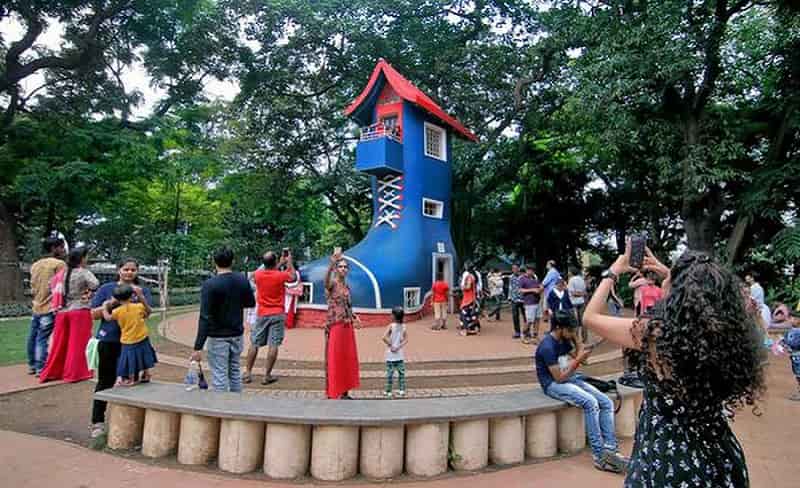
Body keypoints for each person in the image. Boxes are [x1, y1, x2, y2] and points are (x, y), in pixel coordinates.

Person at [583, 245, 765, 487]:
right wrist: (674, 272)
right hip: (718, 454)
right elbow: (700, 296)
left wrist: (613, 271)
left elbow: (590, 317)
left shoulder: (656, 335)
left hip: (668, 458)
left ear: (677, 288)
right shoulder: (727, 335)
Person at [535, 311, 626, 473]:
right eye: (571, 330)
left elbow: (584, 361)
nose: (573, 333)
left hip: (570, 377)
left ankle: (611, 449)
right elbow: (559, 378)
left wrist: (577, 342)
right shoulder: (547, 347)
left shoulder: (563, 339)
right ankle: (599, 457)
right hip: (553, 384)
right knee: (590, 403)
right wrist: (577, 360)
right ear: (559, 328)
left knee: (606, 402)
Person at [89, 258, 153, 438]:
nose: (129, 273)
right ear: (119, 270)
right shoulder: (106, 289)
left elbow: (148, 313)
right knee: (105, 381)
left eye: (133, 269)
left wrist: (139, 296)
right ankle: (97, 422)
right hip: (109, 340)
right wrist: (113, 302)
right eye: (126, 269)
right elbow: (93, 314)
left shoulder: (142, 290)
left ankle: (128, 426)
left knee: (131, 382)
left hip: (133, 343)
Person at [191, 246, 255, 393]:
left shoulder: (210, 285)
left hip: (217, 336)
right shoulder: (241, 280)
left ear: (214, 261)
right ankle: (236, 408)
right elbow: (250, 303)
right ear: (232, 261)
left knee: (219, 375)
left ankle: (221, 410)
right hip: (236, 334)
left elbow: (205, 317)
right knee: (234, 372)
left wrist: (198, 346)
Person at [39, 246, 98, 383]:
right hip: (79, 310)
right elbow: (95, 284)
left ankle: (53, 372)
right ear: (82, 258)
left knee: (59, 343)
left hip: (61, 312)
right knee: (78, 344)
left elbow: (50, 285)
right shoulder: (83, 272)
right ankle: (75, 373)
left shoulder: (61, 274)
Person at [243, 250, 297, 385]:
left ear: (263, 263)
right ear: (274, 262)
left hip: (262, 313)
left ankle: (247, 373)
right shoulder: (280, 276)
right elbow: (294, 277)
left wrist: (279, 263)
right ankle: (267, 375)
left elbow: (263, 273)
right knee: (273, 344)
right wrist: (289, 261)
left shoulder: (258, 275)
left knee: (254, 343)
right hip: (278, 313)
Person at [324, 249, 362, 399]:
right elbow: (326, 281)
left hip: (347, 325)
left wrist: (354, 316)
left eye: (346, 267)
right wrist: (332, 263)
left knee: (347, 358)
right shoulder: (332, 284)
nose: (343, 269)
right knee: (336, 358)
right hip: (336, 325)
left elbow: (347, 306)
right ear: (336, 269)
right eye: (341, 266)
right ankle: (335, 390)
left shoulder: (347, 287)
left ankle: (345, 391)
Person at [27, 236, 66, 376]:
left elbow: (32, 287)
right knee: (42, 337)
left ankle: (32, 365)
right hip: (50, 306)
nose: (63, 250)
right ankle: (40, 367)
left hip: (36, 305)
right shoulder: (59, 264)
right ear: (54, 248)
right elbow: (60, 286)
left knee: (33, 335)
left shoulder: (35, 265)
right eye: (61, 247)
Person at [102, 284, 156, 385]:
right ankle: (146, 374)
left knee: (129, 360)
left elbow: (108, 318)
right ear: (132, 296)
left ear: (117, 299)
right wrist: (141, 296)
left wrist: (105, 306)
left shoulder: (117, 311)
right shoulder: (139, 306)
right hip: (142, 336)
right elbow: (148, 312)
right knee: (144, 355)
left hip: (128, 340)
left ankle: (132, 379)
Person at [383, 306, 408, 398]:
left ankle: (388, 391)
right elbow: (406, 339)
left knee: (390, 373)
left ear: (394, 316)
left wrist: (391, 346)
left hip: (390, 355)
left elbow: (384, 337)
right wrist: (399, 346)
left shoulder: (391, 326)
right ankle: (401, 390)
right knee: (401, 373)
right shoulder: (404, 326)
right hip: (400, 354)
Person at [518, 266, 542, 344]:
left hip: (537, 302)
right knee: (529, 320)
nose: (532, 272)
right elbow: (520, 290)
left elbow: (539, 286)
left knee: (537, 319)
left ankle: (535, 336)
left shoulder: (535, 278)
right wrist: (532, 290)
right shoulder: (522, 279)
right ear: (527, 270)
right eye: (531, 271)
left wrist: (540, 288)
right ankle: (523, 335)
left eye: (533, 271)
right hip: (529, 303)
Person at [780, 310, 800, 401]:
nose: (790, 320)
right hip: (794, 356)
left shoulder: (798, 331)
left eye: (792, 318)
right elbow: (785, 339)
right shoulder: (791, 330)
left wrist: (786, 343)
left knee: (799, 375)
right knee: (797, 375)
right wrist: (782, 342)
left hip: (798, 356)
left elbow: (794, 343)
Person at [459, 264, 480, 335]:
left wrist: (462, 287)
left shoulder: (469, 277)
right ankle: (474, 329)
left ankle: (466, 330)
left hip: (468, 299)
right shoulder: (474, 276)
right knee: (471, 315)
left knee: (463, 314)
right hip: (472, 298)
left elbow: (468, 287)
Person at [567, 267, 587, 339]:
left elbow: (572, 293)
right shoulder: (581, 279)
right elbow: (584, 291)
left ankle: (576, 339)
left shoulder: (571, 280)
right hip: (581, 302)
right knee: (582, 321)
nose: (568, 273)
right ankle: (584, 338)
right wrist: (581, 294)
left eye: (569, 271)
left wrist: (578, 294)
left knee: (575, 322)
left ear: (571, 272)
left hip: (573, 302)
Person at [508, 264, 526, 339]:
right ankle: (517, 332)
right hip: (514, 299)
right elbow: (510, 287)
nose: (514, 270)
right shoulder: (511, 277)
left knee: (525, 316)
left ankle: (526, 331)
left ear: (519, 268)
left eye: (516, 268)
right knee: (515, 316)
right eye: (513, 268)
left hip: (523, 299)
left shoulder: (523, 277)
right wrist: (509, 297)